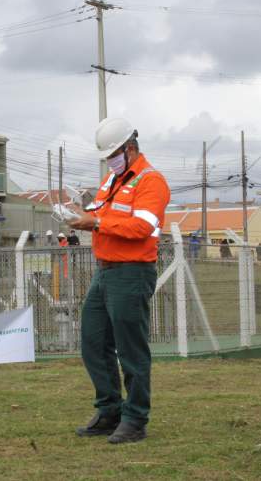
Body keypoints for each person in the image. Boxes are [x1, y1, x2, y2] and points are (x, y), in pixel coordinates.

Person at [67, 117, 170, 444]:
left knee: (130, 349)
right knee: (93, 342)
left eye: (113, 153)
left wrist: (95, 222)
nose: (110, 160)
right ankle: (110, 410)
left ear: (130, 147)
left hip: (131, 272)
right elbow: (99, 214)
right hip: (105, 271)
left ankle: (135, 419)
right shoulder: (112, 181)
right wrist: (78, 215)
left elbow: (142, 227)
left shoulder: (150, 182)